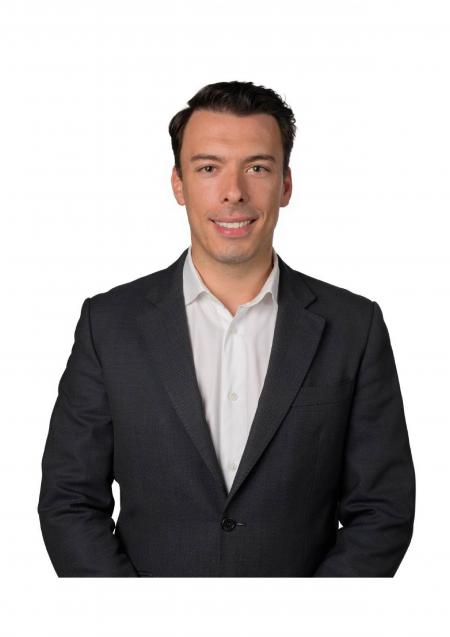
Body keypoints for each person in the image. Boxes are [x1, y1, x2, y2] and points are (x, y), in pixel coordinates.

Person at [37, 80, 416, 577]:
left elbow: (383, 510)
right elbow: (69, 501)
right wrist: (131, 614)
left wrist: (314, 615)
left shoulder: (354, 326)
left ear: (285, 184)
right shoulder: (108, 325)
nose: (233, 192)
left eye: (257, 168)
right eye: (208, 168)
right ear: (178, 184)